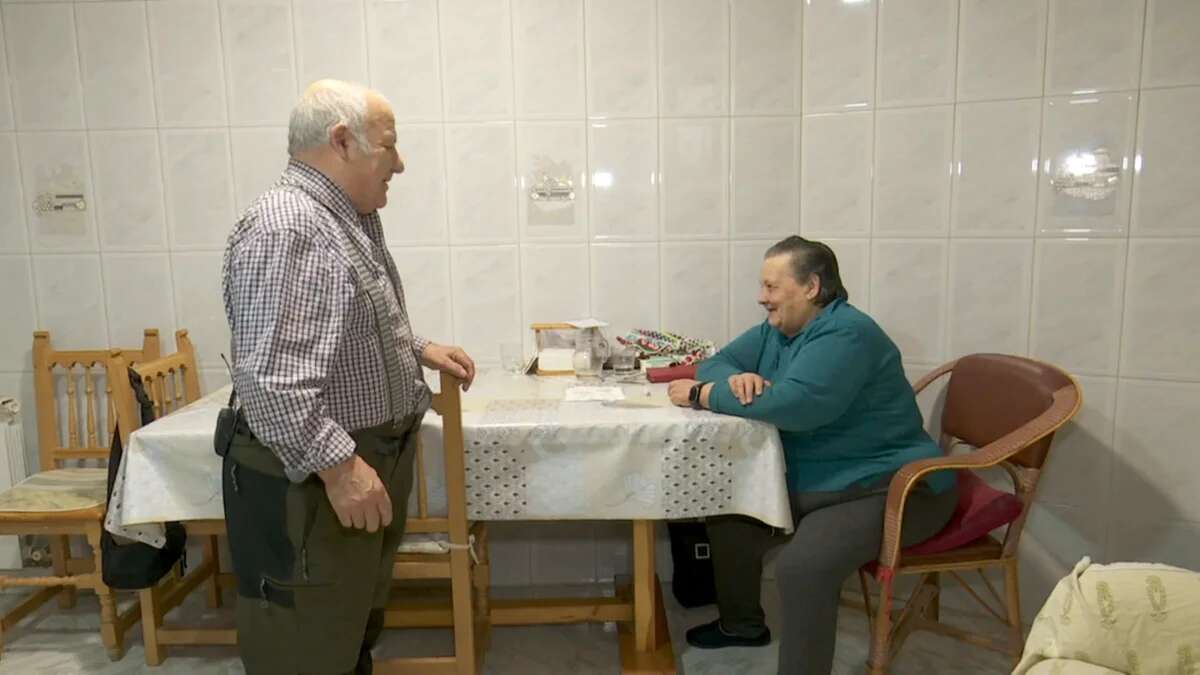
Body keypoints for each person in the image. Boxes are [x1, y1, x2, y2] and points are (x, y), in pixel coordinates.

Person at [220, 79, 476, 675]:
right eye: (389, 146)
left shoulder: (345, 217)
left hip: (355, 462)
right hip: (314, 476)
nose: (400, 163)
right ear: (341, 141)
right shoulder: (290, 226)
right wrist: (338, 466)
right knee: (305, 645)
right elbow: (272, 379)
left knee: (346, 630)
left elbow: (341, 322)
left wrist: (418, 347)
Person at [666, 235, 958, 675]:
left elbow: (794, 407)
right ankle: (742, 625)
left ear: (812, 286)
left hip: (888, 486)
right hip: (821, 482)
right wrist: (738, 377)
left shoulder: (848, 334)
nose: (761, 297)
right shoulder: (777, 329)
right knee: (729, 515)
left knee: (804, 568)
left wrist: (703, 394)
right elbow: (717, 360)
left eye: (771, 286)